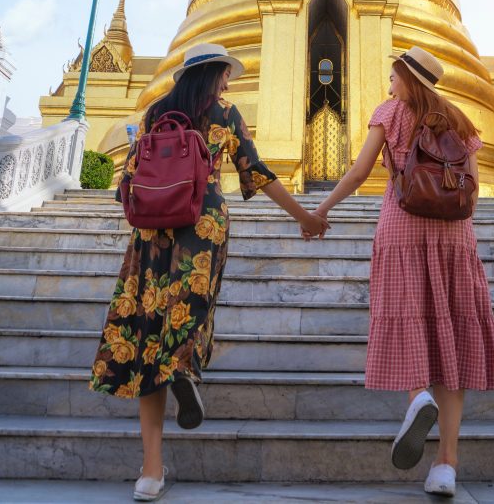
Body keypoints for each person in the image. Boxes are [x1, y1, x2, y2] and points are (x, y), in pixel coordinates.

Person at [89, 42, 329, 502]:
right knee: (189, 314)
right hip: (203, 222)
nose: (229, 82)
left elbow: (127, 182)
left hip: (154, 230)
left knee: (146, 336)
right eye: (226, 75)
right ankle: (183, 365)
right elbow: (254, 172)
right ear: (215, 75)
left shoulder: (156, 112)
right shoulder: (226, 114)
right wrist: (304, 215)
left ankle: (151, 471)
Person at [315, 46, 494, 498]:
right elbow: (472, 188)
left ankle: (418, 395)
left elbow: (360, 172)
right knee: (452, 342)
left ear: (406, 77)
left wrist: (319, 210)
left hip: (402, 225)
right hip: (454, 236)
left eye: (394, 76)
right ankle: (446, 466)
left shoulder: (390, 113)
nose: (390, 84)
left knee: (408, 320)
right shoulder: (459, 119)